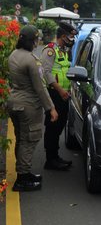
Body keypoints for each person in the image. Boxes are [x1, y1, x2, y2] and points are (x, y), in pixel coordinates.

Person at [8, 25, 59, 191]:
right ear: (31, 40)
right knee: (29, 140)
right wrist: (51, 108)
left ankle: (24, 173)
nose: (37, 43)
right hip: (28, 106)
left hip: (14, 102)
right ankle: (22, 179)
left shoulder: (13, 55)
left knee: (21, 139)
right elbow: (40, 87)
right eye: (36, 40)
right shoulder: (31, 60)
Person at [40, 21, 78, 171]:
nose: (72, 40)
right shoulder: (50, 51)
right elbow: (46, 73)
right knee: (52, 127)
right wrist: (60, 90)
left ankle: (55, 157)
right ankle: (50, 160)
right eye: (70, 36)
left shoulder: (63, 51)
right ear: (63, 36)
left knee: (59, 126)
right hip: (54, 94)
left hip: (63, 94)